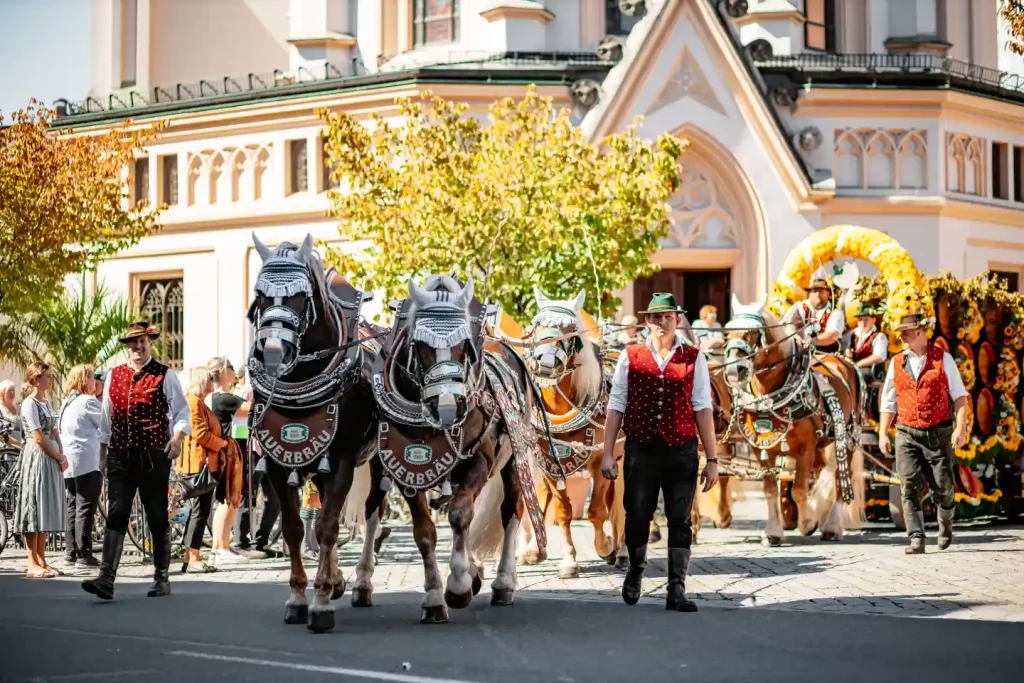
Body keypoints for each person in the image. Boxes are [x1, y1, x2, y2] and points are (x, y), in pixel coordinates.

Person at [600, 293, 719, 612]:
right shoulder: (631, 355)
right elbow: (616, 406)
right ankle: (635, 573)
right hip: (641, 449)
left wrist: (713, 459)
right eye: (656, 317)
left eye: (668, 317)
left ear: (677, 320)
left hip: (681, 449)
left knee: (680, 520)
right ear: (647, 321)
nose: (662, 322)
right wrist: (608, 452)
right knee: (637, 515)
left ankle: (676, 589)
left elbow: (703, 409)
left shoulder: (695, 357)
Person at [82, 321, 191, 601]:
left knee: (156, 515)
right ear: (127, 347)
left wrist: (177, 438)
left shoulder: (165, 375)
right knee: (116, 512)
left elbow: (181, 412)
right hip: (120, 455)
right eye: (133, 343)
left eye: (142, 341)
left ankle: (161, 578)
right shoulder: (114, 376)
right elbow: (107, 417)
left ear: (149, 342)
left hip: (153, 455)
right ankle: (106, 578)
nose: (138, 347)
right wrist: (103, 454)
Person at [878, 312, 969, 555]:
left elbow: (960, 397)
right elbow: (888, 402)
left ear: (921, 331)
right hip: (906, 432)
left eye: (906, 331)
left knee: (943, 486)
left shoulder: (943, 359)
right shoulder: (897, 362)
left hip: (937, 433)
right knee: (908, 485)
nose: (902, 335)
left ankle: (945, 525)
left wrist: (960, 427)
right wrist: (883, 433)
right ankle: (916, 538)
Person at [207, 357, 280, 559]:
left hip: (226, 451)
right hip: (231, 452)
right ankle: (221, 547)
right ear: (223, 372)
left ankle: (221, 546)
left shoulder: (213, 397)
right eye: (230, 369)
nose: (234, 373)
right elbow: (255, 408)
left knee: (229, 500)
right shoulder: (226, 397)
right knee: (227, 501)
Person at [13, 362, 67, 578]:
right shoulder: (29, 403)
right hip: (36, 457)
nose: (49, 380)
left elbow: (54, 432)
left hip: (49, 458)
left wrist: (62, 455)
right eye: (46, 376)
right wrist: (57, 455)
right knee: (33, 507)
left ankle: (42, 560)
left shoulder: (46, 402)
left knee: (43, 507)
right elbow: (38, 436)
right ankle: (31, 562)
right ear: (35, 379)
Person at [180, 367, 228, 573]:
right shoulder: (193, 402)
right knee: (200, 511)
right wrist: (222, 444)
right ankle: (193, 557)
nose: (213, 382)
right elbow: (199, 433)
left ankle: (192, 555)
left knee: (199, 511)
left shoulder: (198, 402)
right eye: (209, 379)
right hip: (200, 465)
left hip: (204, 463)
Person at [58, 364, 104, 570]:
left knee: (72, 506)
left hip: (70, 462)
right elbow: (106, 424)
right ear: (84, 380)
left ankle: (71, 552)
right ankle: (84, 555)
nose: (95, 381)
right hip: (87, 460)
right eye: (92, 377)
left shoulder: (66, 403)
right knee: (85, 507)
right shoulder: (87, 401)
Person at [784, 269, 845, 352]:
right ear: (810, 294)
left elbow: (832, 335)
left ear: (828, 293)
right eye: (814, 290)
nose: (817, 294)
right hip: (800, 355)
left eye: (821, 291)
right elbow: (789, 328)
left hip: (827, 356)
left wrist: (813, 341)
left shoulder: (836, 313)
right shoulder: (800, 309)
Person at [1, 379, 24, 448]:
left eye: (13, 390)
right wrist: (18, 443)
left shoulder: (19, 408)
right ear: (2, 393)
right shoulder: (0, 410)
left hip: (21, 448)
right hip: (5, 450)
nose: (12, 393)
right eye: (9, 390)